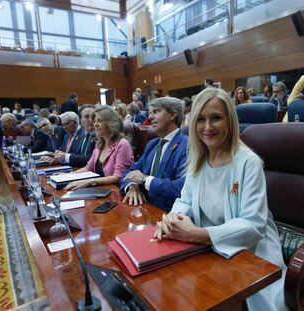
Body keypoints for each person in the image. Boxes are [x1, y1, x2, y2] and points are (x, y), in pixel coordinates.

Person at [154, 88, 287, 311]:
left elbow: (253, 225)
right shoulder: (198, 159)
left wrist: (199, 234)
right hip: (207, 246)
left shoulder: (248, 162)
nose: (208, 127)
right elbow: (184, 201)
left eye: (216, 118)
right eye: (201, 120)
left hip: (252, 249)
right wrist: (173, 220)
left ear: (230, 122)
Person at [120, 97, 188, 212]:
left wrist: (145, 179)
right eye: (150, 113)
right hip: (145, 210)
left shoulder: (187, 145)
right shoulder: (152, 144)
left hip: (169, 215)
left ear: (172, 115)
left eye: (156, 111)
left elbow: (182, 189)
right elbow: (129, 172)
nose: (150, 117)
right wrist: (132, 185)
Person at [65, 106, 133, 190]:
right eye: (95, 121)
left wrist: (91, 181)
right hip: (100, 190)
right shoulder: (99, 145)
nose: (95, 124)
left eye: (99, 121)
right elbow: (88, 168)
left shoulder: (122, 144)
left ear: (111, 123)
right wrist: (67, 175)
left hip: (115, 192)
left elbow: (118, 177)